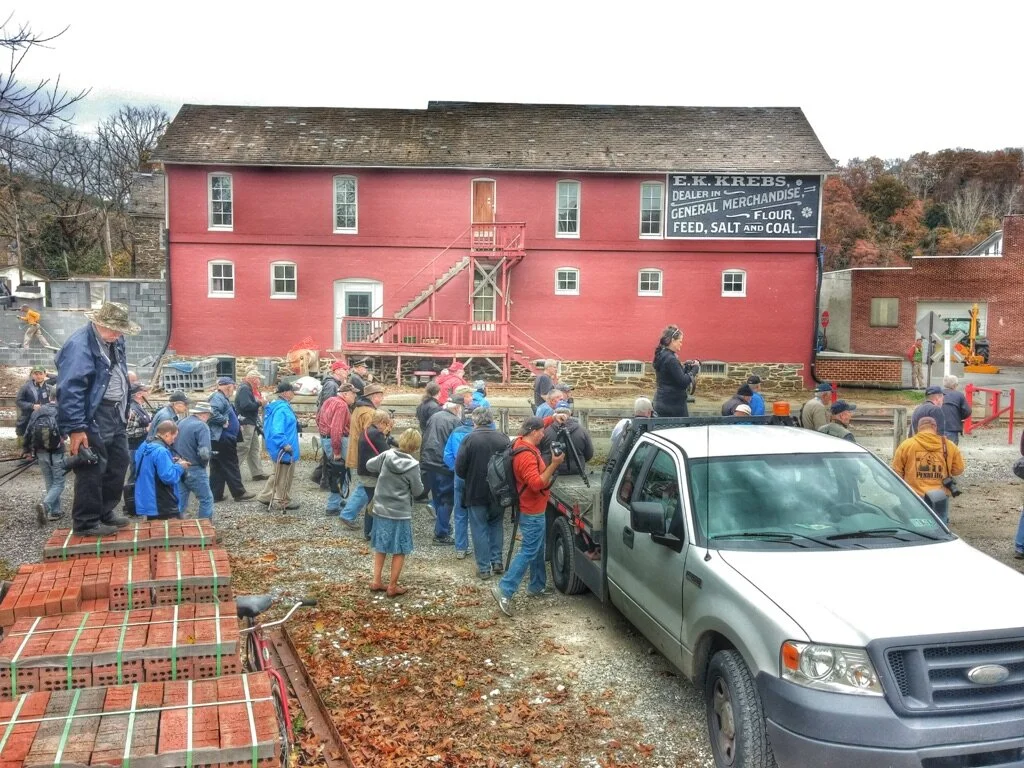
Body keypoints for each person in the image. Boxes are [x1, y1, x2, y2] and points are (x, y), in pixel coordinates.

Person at [56, 301, 140, 537]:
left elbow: (119, 376)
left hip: (116, 412)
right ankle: (86, 521)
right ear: (98, 323)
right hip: (93, 415)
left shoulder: (114, 340)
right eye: (113, 328)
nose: (118, 333)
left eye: (120, 329)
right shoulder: (79, 346)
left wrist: (125, 405)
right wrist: (75, 427)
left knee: (118, 462)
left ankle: (105, 511)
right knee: (92, 466)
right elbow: (70, 389)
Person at [490, 416, 567, 617]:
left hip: (533, 508)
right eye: (542, 431)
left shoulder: (520, 441)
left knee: (538, 546)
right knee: (529, 551)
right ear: (533, 431)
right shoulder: (526, 456)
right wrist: (555, 464)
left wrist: (553, 418)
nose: (544, 434)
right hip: (532, 510)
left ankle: (537, 585)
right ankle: (504, 589)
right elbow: (536, 484)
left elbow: (538, 421)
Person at [366, 428, 424, 597]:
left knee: (381, 546)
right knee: (399, 549)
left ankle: (376, 581)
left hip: (381, 507)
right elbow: (418, 490)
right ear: (416, 447)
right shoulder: (413, 465)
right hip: (400, 512)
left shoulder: (386, 455)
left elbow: (369, 465)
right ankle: (392, 586)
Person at [456, 407, 510, 580]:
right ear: (492, 419)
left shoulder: (469, 439)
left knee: (479, 528)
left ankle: (484, 568)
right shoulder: (503, 438)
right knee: (496, 525)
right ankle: (497, 562)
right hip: (499, 491)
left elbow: (459, 469)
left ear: (475, 421)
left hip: (476, 490)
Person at [891, 416, 964, 510]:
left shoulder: (906, 445)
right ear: (935, 427)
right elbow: (958, 470)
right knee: (939, 523)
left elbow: (896, 471)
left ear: (918, 428)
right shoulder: (949, 445)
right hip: (940, 497)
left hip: (914, 495)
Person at [340, 383, 385, 531]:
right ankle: (348, 514)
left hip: (358, 452)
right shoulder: (369, 413)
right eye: (380, 396)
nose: (382, 399)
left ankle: (349, 513)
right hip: (364, 455)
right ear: (373, 397)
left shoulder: (359, 408)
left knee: (364, 486)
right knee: (364, 487)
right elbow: (370, 436)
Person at [421, 400, 463, 544]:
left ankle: (442, 525)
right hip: (444, 464)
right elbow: (455, 446)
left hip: (429, 461)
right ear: (457, 408)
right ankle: (441, 533)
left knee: (437, 497)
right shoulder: (455, 421)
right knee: (447, 499)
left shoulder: (435, 416)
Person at [256, 382, 301, 511]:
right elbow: (277, 429)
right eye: (292, 391)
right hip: (284, 447)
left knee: (277, 472)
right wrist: (284, 444)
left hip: (278, 447)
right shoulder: (282, 409)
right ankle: (283, 501)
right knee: (284, 475)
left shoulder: (277, 406)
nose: (294, 393)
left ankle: (266, 496)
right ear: (286, 393)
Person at [208, 377, 254, 502]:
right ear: (228, 386)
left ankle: (215, 494)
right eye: (233, 387)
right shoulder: (217, 398)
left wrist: (237, 423)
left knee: (218, 467)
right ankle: (239, 493)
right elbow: (211, 412)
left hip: (221, 438)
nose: (234, 390)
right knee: (231, 464)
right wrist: (224, 421)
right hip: (222, 438)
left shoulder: (221, 398)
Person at [133, 420, 187, 519]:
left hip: (148, 499)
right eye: (173, 437)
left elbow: (149, 467)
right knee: (172, 531)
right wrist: (181, 466)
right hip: (162, 502)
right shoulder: (161, 451)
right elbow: (169, 477)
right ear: (167, 435)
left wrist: (170, 462)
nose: (173, 441)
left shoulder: (144, 446)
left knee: (154, 530)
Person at [24, 393, 65, 523]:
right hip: (57, 451)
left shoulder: (38, 411)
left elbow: (28, 431)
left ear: (50, 398)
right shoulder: (61, 411)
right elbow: (65, 433)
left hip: (40, 451)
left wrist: (27, 451)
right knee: (59, 483)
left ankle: (56, 511)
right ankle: (46, 505)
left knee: (49, 481)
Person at [318, 382, 356, 516]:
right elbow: (336, 429)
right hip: (337, 440)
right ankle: (333, 505)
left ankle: (338, 500)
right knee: (341, 472)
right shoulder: (341, 405)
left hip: (325, 438)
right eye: (353, 394)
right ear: (345, 394)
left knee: (337, 471)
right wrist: (337, 451)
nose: (355, 396)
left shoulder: (329, 400)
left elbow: (318, 419)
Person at [444, 408, 476, 559]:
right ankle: (481, 547)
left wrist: (456, 469)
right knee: (478, 512)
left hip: (460, 476)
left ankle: (461, 547)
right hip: (477, 477)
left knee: (460, 512)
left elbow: (447, 455)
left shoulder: (456, 432)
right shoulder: (481, 433)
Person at [174, 402, 215, 520]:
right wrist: (204, 464)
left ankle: (175, 528)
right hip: (194, 467)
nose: (208, 418)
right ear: (204, 414)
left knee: (180, 500)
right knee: (206, 499)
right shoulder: (202, 426)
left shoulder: (181, 422)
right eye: (209, 415)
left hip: (179, 465)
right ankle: (204, 530)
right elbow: (204, 452)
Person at [235, 368, 269, 481]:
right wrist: (260, 402)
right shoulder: (245, 389)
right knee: (243, 448)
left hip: (250, 422)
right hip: (246, 422)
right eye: (259, 379)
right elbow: (246, 406)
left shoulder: (246, 388)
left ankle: (257, 473)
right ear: (254, 379)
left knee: (254, 448)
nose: (260, 381)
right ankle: (232, 471)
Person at [541, 405, 594, 476]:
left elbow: (539, 451)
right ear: (570, 414)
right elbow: (589, 453)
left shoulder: (545, 432)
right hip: (576, 469)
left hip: (551, 471)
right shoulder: (582, 430)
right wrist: (579, 461)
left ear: (555, 414)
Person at [652, 325, 693, 417]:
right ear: (673, 341)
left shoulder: (663, 354)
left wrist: (686, 368)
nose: (681, 344)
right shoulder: (671, 359)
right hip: (673, 405)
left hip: (662, 401)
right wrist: (694, 371)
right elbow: (683, 382)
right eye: (680, 341)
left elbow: (672, 377)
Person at [124, 383, 153, 483]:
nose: (148, 393)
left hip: (141, 447)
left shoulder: (139, 406)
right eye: (146, 391)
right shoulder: (132, 409)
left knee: (140, 475)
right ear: (139, 394)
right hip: (135, 449)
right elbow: (128, 432)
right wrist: (146, 429)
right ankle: (131, 496)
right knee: (135, 475)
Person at [16, 367, 54, 439]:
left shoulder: (49, 387)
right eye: (36, 374)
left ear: (44, 374)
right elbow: (18, 401)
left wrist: (47, 374)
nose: (38, 376)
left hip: (45, 419)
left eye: (40, 374)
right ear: (32, 375)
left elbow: (57, 378)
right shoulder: (25, 387)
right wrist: (32, 406)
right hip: (29, 418)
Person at [941, 375, 972, 444]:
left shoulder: (937, 394)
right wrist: (958, 416)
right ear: (955, 385)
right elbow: (967, 411)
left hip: (936, 427)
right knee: (951, 450)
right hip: (952, 427)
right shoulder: (959, 395)